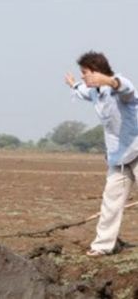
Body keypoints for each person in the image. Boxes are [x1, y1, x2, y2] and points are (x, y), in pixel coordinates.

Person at [65, 51, 138, 257]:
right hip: (118, 157)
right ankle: (102, 246)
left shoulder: (118, 89)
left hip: (137, 149)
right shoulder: (94, 92)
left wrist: (107, 80)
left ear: (97, 72)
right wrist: (72, 84)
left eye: (85, 73)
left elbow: (125, 87)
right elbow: (81, 90)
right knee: (111, 201)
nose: (82, 76)